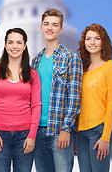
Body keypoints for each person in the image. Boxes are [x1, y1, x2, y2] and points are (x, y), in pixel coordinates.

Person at [32, 9, 83, 172]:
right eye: (46, 24)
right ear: (41, 27)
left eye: (55, 25)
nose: (50, 28)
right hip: (38, 131)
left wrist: (66, 129)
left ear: (61, 29)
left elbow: (75, 98)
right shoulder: (35, 61)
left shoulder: (71, 58)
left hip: (59, 129)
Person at [0, 28, 41, 172]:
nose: (14, 46)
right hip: (0, 135)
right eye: (11, 42)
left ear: (24, 45)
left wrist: (32, 136)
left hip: (25, 136)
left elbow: (36, 106)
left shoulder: (33, 74)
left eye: (18, 42)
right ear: (5, 45)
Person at [76, 23, 112, 172]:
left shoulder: (111, 67)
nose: (92, 42)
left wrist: (106, 137)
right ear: (84, 42)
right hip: (80, 132)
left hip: (99, 131)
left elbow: (111, 104)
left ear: (103, 41)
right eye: (88, 39)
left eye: (97, 38)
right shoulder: (81, 70)